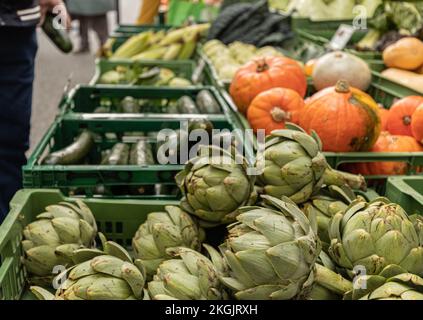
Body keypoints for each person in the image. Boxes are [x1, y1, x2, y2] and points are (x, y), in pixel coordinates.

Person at [0, 0, 70, 222]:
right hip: (13, 29)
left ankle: (8, 234)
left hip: (14, 27)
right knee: (8, 149)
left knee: (9, 147)